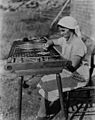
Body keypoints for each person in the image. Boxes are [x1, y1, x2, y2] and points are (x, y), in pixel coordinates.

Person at [36, 16, 89, 120]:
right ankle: (46, 110)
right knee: (45, 79)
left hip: (77, 76)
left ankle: (42, 115)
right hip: (67, 71)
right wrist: (48, 44)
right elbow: (53, 41)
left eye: (63, 31)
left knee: (48, 84)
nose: (61, 33)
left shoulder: (78, 44)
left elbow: (72, 66)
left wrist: (56, 60)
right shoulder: (66, 39)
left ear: (71, 30)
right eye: (60, 31)